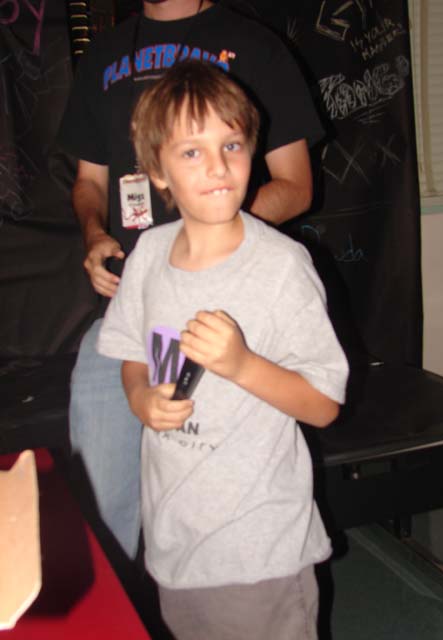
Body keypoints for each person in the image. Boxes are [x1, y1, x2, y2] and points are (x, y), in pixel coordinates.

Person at [57, 0, 324, 559]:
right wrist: (94, 235)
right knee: (100, 510)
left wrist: (207, 235)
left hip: (230, 308)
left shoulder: (257, 47)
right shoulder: (103, 54)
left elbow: (296, 185)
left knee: (224, 500)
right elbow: (89, 182)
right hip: (131, 309)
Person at [97, 59, 348, 640]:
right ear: (157, 172)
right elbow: (134, 353)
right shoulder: (148, 257)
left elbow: (323, 405)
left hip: (257, 548)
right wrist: (139, 398)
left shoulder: (282, 267)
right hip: (175, 538)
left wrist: (242, 365)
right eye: (192, 152)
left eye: (231, 145)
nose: (217, 166)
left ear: (252, 153)